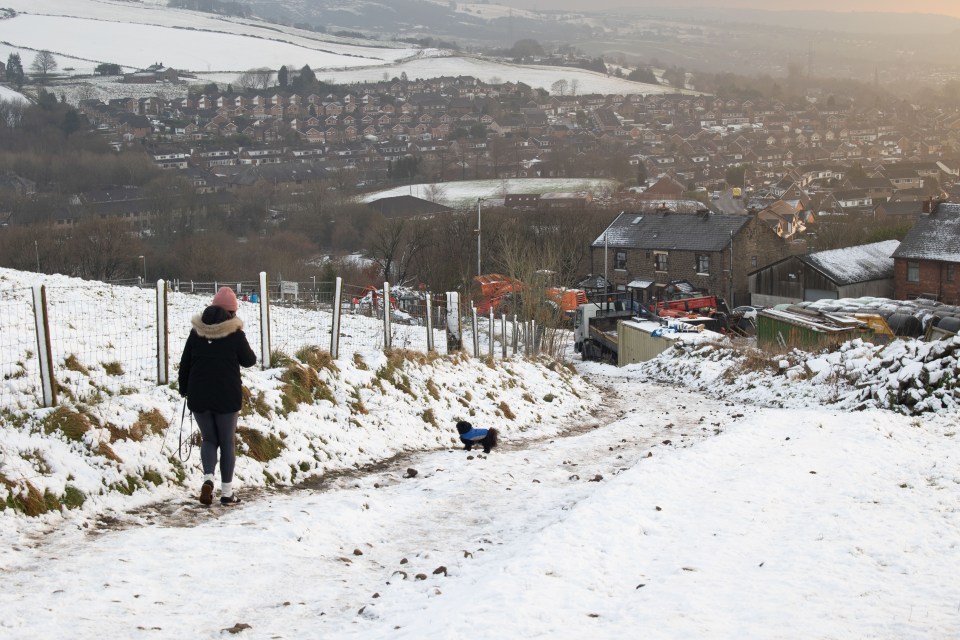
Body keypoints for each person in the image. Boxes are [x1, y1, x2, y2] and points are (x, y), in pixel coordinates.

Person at [178, 286, 256, 506]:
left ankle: (208, 480)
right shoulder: (235, 333)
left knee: (209, 439)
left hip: (198, 395)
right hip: (226, 397)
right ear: (232, 312)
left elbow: (185, 363)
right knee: (226, 442)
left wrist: (184, 389)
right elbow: (249, 360)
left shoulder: (197, 331)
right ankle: (227, 493)